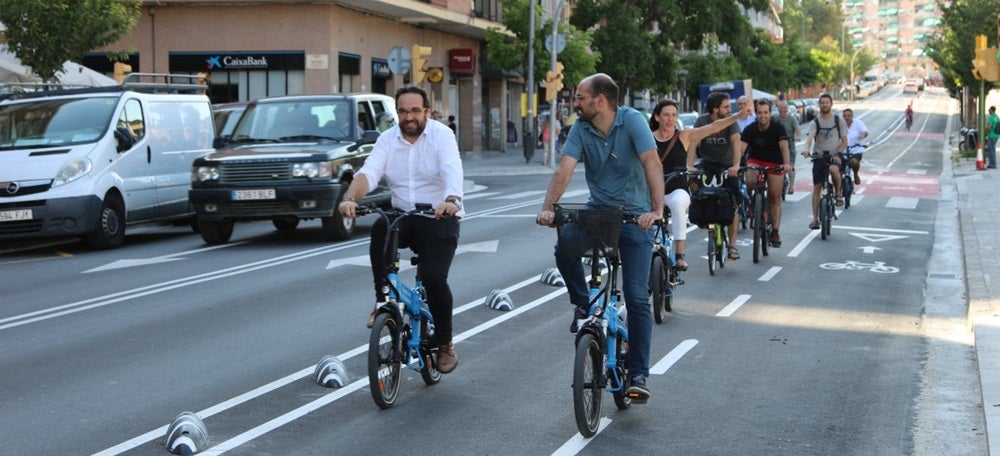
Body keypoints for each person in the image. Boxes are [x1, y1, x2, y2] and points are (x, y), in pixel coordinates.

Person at [536, 73, 663, 402]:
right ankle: (582, 305)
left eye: (580, 97)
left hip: (635, 218)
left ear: (600, 100)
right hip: (599, 213)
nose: (575, 103)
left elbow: (652, 163)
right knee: (565, 248)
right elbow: (564, 169)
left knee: (636, 297)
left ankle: (639, 373)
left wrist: (656, 210)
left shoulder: (632, 121)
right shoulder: (581, 128)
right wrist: (548, 208)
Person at [337, 86, 464, 374]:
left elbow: (451, 170)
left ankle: (445, 343)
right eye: (403, 111)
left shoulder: (442, 135)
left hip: (439, 215)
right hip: (403, 215)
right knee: (381, 227)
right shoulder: (387, 139)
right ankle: (382, 299)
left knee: (434, 279)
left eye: (415, 111)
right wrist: (350, 198)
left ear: (427, 112)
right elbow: (368, 173)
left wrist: (452, 199)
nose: (409, 117)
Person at [648, 97, 750, 271]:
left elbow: (713, 127)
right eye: (666, 115)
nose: (670, 119)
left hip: (676, 190)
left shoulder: (683, 136)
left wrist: (737, 116)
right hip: (651, 192)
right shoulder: (648, 139)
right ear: (657, 117)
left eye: (674, 115)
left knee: (678, 203)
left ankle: (680, 254)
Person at [691, 91, 743, 261]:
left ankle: (732, 246)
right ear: (715, 109)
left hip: (727, 164)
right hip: (708, 163)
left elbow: (736, 142)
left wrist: (736, 165)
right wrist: (689, 166)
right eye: (726, 107)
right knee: (695, 185)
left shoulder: (731, 121)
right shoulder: (702, 121)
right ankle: (703, 219)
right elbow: (693, 142)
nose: (730, 109)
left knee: (733, 202)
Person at [739, 100, 791, 247]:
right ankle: (752, 203)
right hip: (755, 160)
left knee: (775, 197)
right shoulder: (750, 129)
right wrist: (736, 164)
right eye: (760, 113)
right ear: (756, 113)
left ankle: (775, 231)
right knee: (750, 178)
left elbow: (784, 147)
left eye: (766, 112)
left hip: (775, 162)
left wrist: (786, 164)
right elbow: (741, 149)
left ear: (770, 113)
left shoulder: (778, 128)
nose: (763, 116)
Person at [803, 93, 847, 229]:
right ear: (819, 105)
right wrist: (807, 149)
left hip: (835, 155)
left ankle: (838, 194)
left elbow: (844, 141)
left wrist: (838, 153)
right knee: (817, 187)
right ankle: (815, 219)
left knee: (834, 169)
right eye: (822, 103)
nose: (824, 105)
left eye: (827, 103)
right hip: (819, 156)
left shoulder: (838, 120)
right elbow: (810, 138)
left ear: (831, 104)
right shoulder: (815, 122)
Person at [776, 100, 801, 194]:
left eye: (784, 108)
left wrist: (797, 136)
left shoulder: (792, 119)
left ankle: (791, 186)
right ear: (778, 109)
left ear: (787, 109)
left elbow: (798, 129)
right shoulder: (775, 119)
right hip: (778, 146)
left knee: (790, 166)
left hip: (790, 145)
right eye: (781, 108)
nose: (782, 110)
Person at [842, 108, 870, 182]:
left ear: (852, 116)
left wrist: (863, 135)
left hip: (856, 150)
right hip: (843, 149)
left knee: (854, 162)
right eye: (844, 116)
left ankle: (855, 174)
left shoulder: (858, 122)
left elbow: (865, 131)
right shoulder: (840, 124)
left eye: (849, 116)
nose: (846, 118)